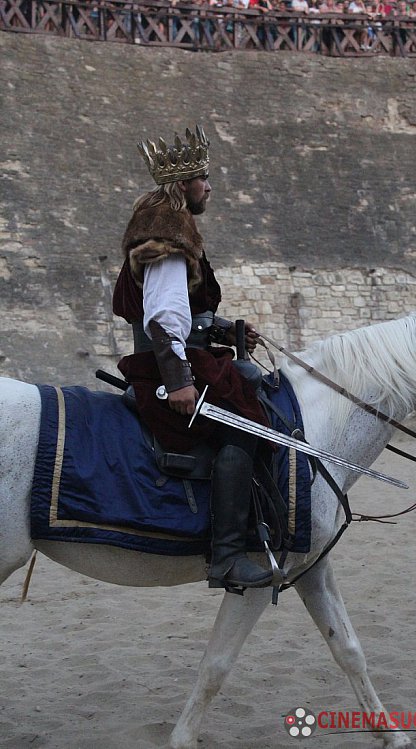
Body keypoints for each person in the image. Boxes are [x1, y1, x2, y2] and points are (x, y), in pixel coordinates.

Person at [112, 125, 273, 591]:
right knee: (245, 428)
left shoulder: (158, 220)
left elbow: (182, 307)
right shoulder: (168, 232)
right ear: (183, 185)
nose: (209, 186)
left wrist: (224, 329)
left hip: (176, 355)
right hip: (165, 366)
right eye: (203, 178)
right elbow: (162, 318)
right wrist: (180, 380)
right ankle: (226, 559)